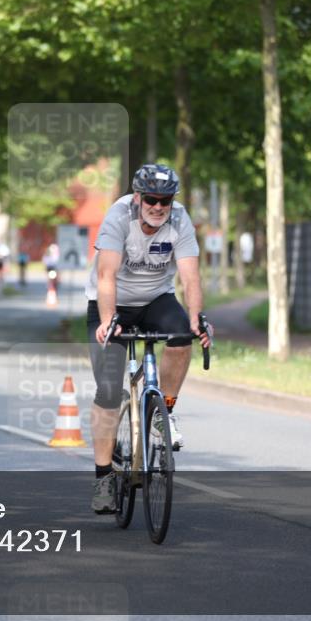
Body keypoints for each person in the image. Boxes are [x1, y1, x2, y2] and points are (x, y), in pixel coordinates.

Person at [85, 163, 212, 514]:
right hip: (112, 303)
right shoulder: (118, 216)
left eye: (165, 201)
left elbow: (190, 277)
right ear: (138, 198)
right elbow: (106, 276)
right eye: (152, 200)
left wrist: (196, 319)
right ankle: (103, 479)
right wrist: (109, 321)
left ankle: (164, 411)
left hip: (156, 298)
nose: (158, 207)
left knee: (181, 335)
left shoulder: (179, 219)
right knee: (108, 391)